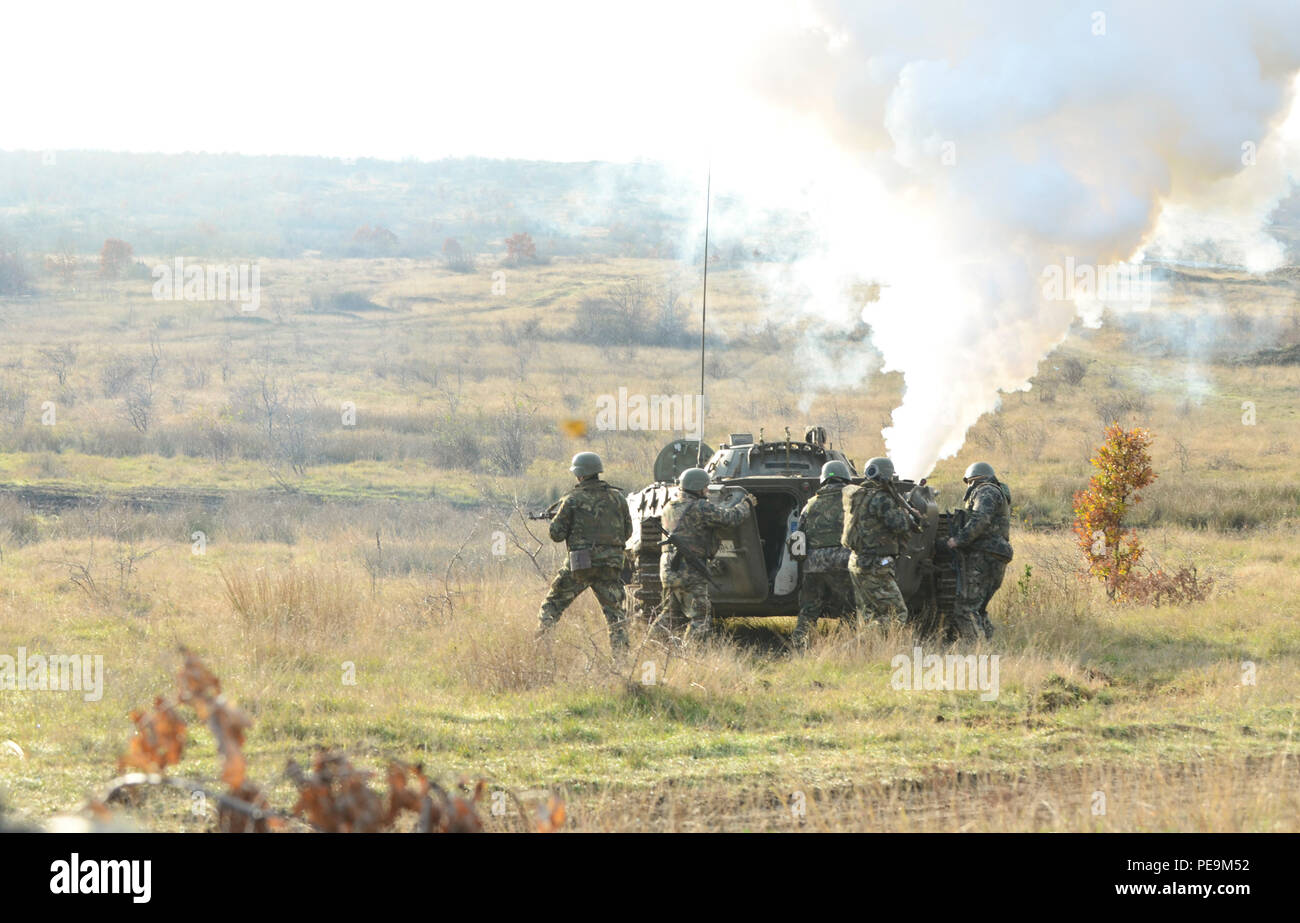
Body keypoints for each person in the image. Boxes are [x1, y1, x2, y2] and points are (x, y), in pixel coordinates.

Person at [535, 451, 633, 655]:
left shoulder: (572, 499)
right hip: (611, 565)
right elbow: (628, 531)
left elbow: (556, 534)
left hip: (581, 563)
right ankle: (622, 661)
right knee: (616, 616)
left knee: (552, 605)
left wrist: (559, 520)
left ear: (579, 475)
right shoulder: (618, 497)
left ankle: (541, 651)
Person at [657, 467, 754, 643]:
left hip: (668, 567)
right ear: (697, 487)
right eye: (705, 487)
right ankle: (691, 655)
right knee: (700, 617)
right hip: (689, 569)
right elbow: (730, 518)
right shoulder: (700, 507)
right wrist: (746, 504)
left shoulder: (669, 507)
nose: (707, 491)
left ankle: (649, 646)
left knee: (669, 614)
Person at [842, 456, 913, 626]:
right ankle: (854, 645)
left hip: (856, 561)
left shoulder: (857, 495)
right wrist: (908, 514)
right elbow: (901, 525)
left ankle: (869, 647)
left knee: (868, 613)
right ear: (887, 475)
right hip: (875, 564)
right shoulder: (881, 498)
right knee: (897, 614)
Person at [946, 461, 1013, 641]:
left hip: (983, 554)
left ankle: (976, 651)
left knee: (965, 609)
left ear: (972, 479)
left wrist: (957, 540)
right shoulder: (997, 492)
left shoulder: (985, 490)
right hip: (996, 554)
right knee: (978, 608)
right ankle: (988, 645)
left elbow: (980, 519)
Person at [791, 460, 855, 648]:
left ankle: (800, 644)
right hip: (843, 562)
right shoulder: (853, 501)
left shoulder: (810, 504)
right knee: (851, 607)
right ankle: (847, 645)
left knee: (809, 608)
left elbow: (799, 535)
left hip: (814, 564)